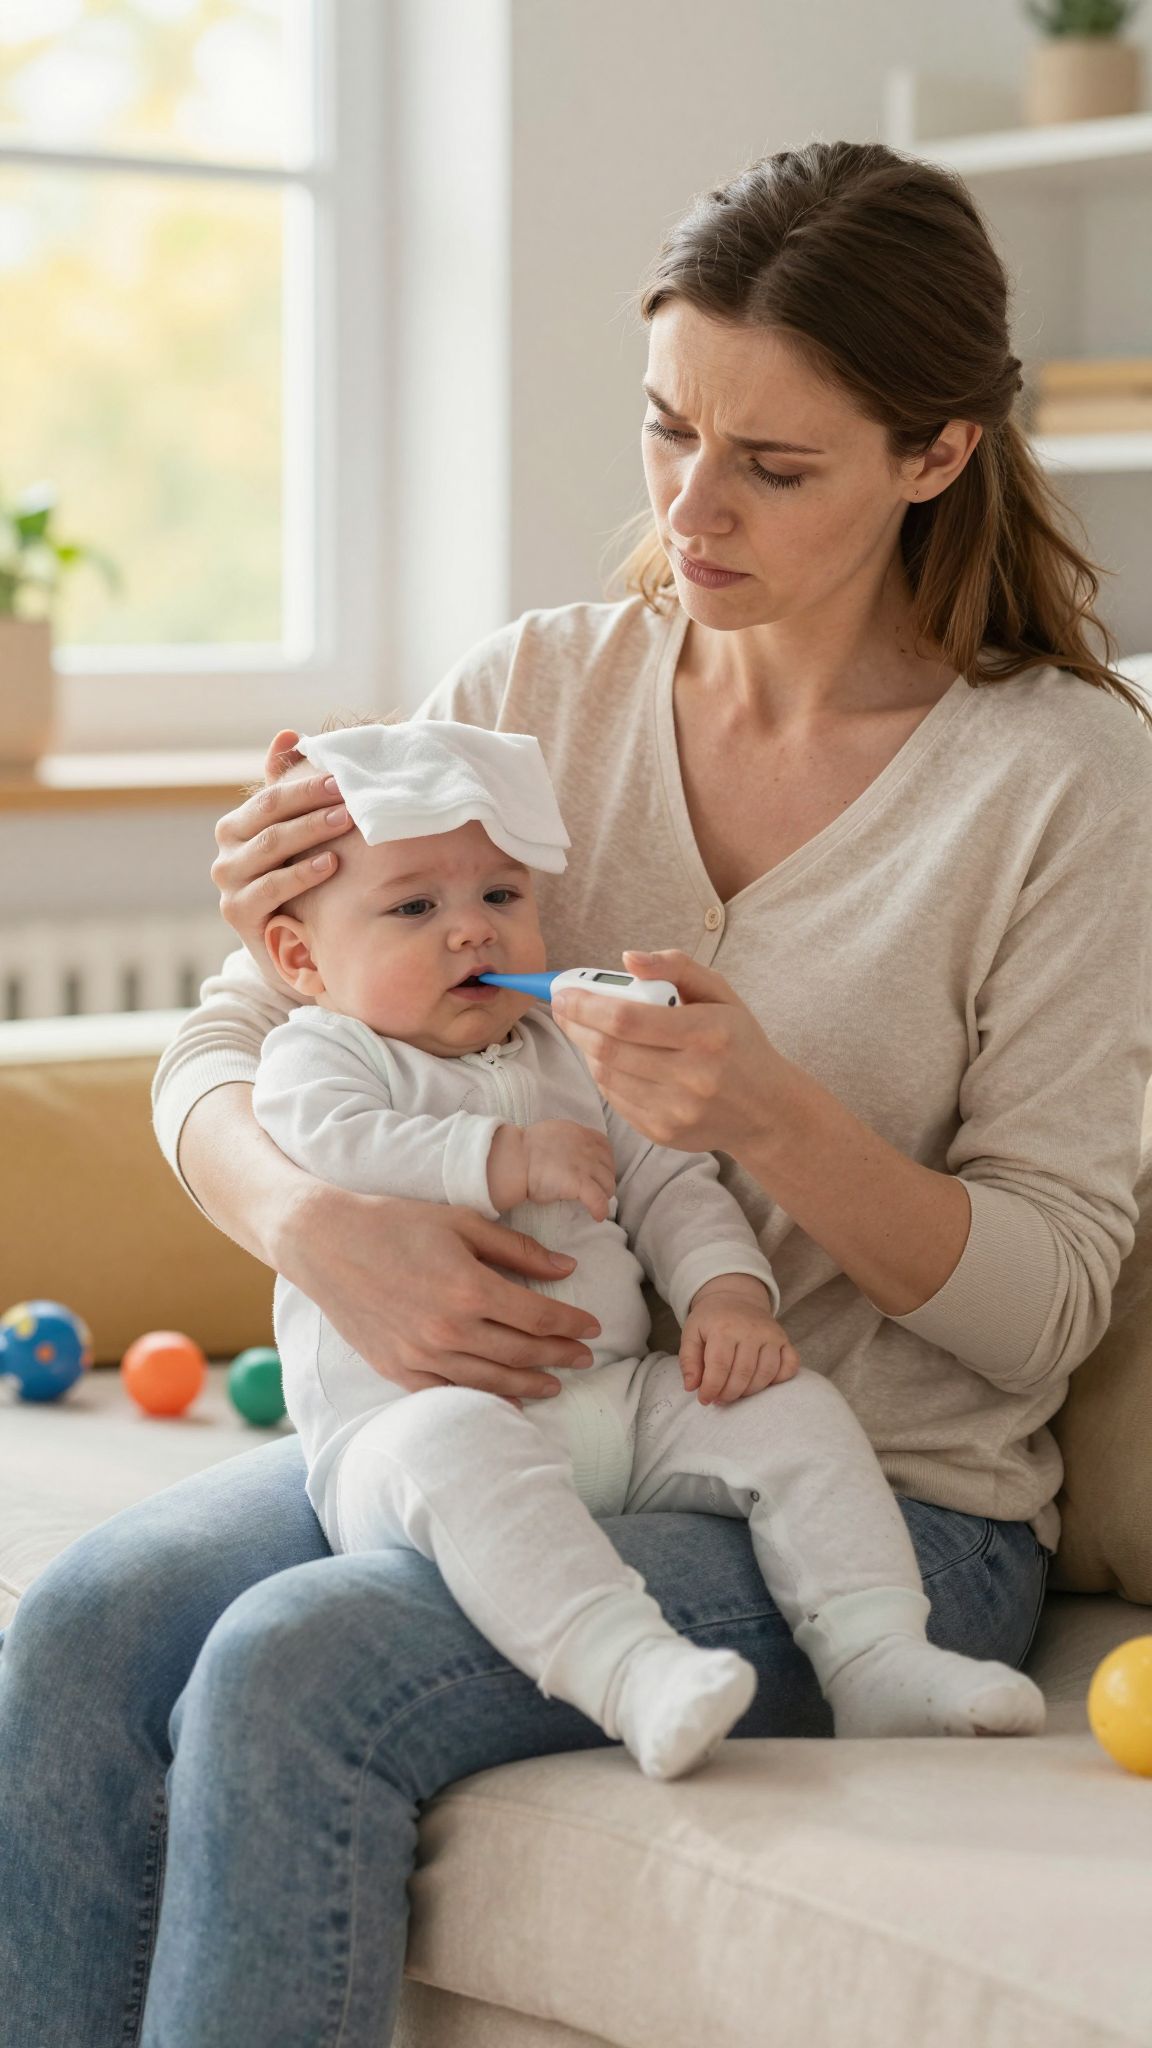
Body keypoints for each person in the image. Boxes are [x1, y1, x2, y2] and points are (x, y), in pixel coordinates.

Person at [2, 136, 1150, 2046]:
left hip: (875, 1499)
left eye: (771, 463)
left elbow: (1044, 1308)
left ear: (935, 452)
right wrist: (320, 1227)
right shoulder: (534, 694)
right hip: (506, 1424)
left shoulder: (1062, 785)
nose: (689, 507)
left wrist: (767, 1113)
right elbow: (226, 1046)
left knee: (296, 1668)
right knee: (78, 1628)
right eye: (666, 428)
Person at [252, 716, 1044, 1778]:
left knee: (792, 1409)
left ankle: (880, 1658)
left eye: (502, 896)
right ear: (302, 958)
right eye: (414, 908)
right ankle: (634, 1673)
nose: (471, 932)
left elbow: (675, 1182)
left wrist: (728, 1295)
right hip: (413, 1434)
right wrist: (501, 1156)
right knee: (456, 1444)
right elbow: (328, 1140)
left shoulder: (566, 1048)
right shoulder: (320, 1053)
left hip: (615, 1401)